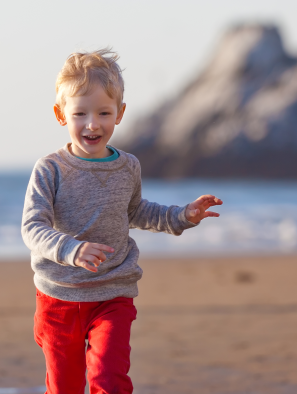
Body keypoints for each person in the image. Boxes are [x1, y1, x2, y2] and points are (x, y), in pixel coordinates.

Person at [21, 49, 223, 393]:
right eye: (80, 113)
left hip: (113, 292)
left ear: (120, 114)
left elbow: (135, 212)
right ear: (60, 114)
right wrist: (72, 249)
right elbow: (32, 227)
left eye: (103, 112)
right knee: (64, 386)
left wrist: (181, 216)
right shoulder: (50, 169)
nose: (92, 124)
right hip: (59, 296)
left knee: (108, 378)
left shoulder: (128, 166)